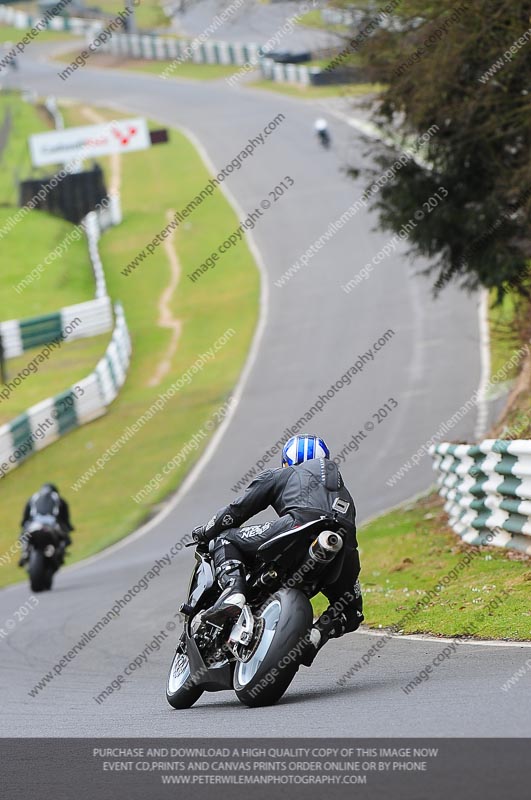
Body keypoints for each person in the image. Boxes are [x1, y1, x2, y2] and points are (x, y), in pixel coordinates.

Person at [192, 434, 363, 666]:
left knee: (225, 539)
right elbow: (353, 615)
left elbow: (236, 511)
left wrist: (205, 532)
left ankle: (234, 591)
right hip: (345, 546)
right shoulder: (344, 492)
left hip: (298, 524)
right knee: (351, 609)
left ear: (286, 461)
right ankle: (315, 636)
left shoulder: (282, 474)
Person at [19, 484, 74, 566]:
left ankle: (25, 552)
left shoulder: (33, 498)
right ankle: (60, 553)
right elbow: (65, 518)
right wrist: (69, 527)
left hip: (34, 525)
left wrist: (23, 525)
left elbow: (25, 517)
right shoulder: (59, 499)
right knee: (66, 539)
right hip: (52, 525)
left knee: (23, 536)